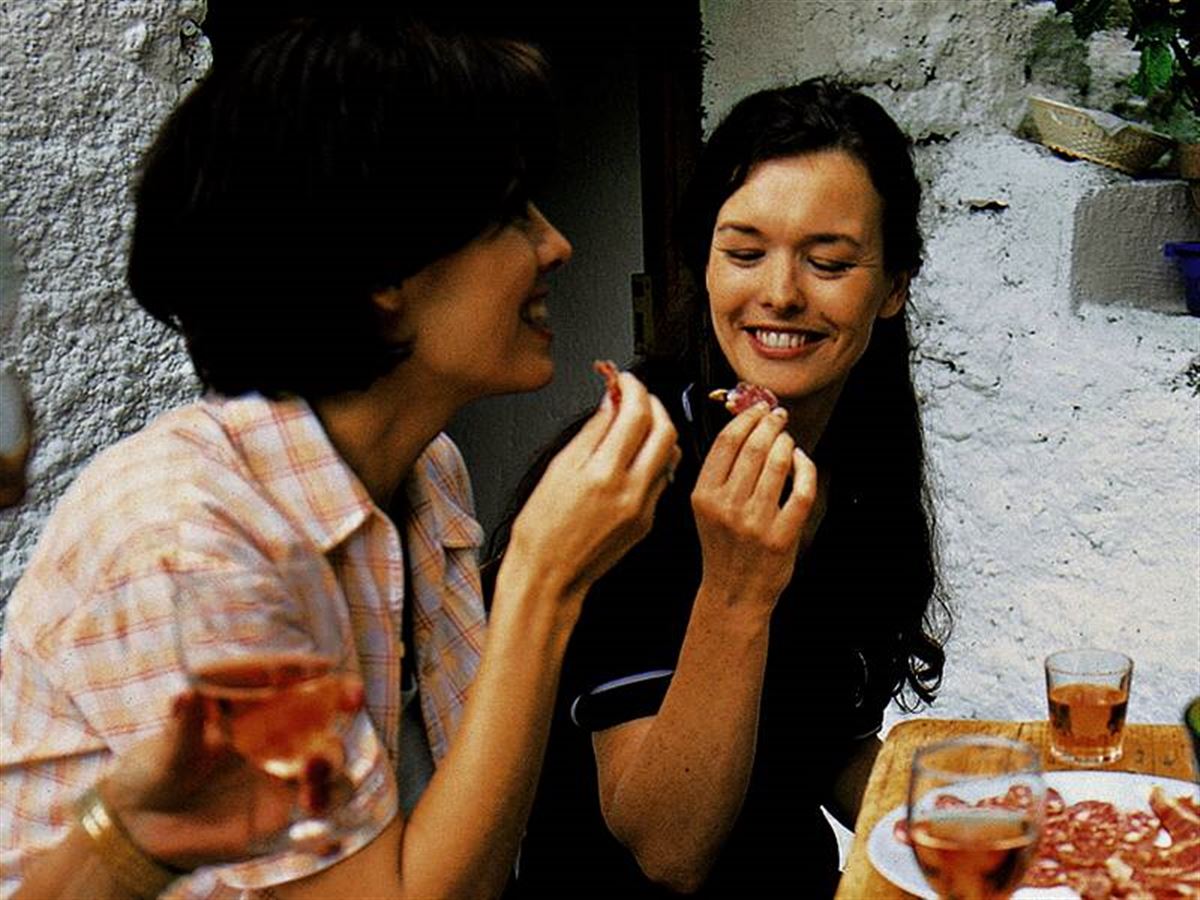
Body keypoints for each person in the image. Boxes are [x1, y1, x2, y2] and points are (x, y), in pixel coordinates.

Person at [0, 13, 679, 900]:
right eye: (511, 214)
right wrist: (544, 581)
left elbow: (464, 844)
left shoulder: (425, 470)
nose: (556, 245)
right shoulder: (189, 542)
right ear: (384, 276)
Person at [494, 78, 950, 897]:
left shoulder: (854, 449)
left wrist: (977, 815)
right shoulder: (631, 473)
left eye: (829, 262)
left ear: (893, 287)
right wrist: (737, 589)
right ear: (703, 265)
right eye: (744, 254)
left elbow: (818, 735)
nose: (780, 293)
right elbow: (667, 849)